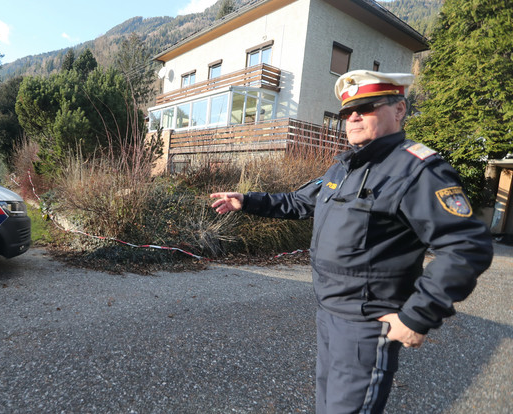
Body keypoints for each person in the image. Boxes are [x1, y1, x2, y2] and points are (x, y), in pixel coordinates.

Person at [210, 70, 493, 413]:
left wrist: (418, 316)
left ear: (399, 110)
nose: (354, 117)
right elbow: (301, 202)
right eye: (347, 112)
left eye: (366, 107)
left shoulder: (416, 170)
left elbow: (466, 246)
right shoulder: (346, 167)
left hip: (367, 324)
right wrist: (248, 200)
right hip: (329, 315)